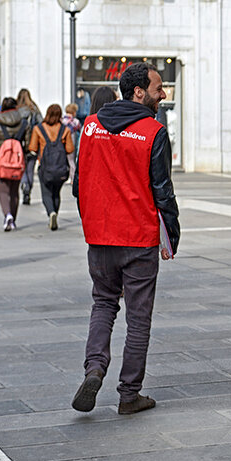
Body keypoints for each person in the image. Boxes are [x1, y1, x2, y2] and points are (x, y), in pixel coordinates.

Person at [71, 63, 179, 416]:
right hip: (137, 238)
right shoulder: (152, 132)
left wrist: (93, 221)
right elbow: (163, 191)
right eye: (158, 88)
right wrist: (172, 236)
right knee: (138, 317)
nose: (162, 94)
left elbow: (77, 185)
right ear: (138, 92)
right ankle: (129, 394)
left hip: (100, 237)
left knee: (103, 304)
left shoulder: (90, 127)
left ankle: (94, 369)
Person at [28, 103, 75, 231]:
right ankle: (55, 212)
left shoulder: (39, 129)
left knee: (46, 193)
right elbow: (70, 149)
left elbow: (32, 147)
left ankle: (51, 212)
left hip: (45, 167)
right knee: (56, 193)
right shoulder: (64, 129)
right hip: (60, 168)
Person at [0, 97, 27, 231]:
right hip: (17, 161)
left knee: (3, 191)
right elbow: (27, 142)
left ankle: (7, 215)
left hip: (2, 160)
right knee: (14, 191)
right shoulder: (23, 122)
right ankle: (13, 219)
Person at [16, 88, 42, 205]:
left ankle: (24, 184)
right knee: (30, 168)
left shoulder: (16, 110)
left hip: (19, 143)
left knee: (22, 168)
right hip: (32, 143)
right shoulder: (34, 110)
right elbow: (41, 125)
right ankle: (28, 189)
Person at [61, 102, 81, 182]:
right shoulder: (75, 121)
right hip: (72, 142)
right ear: (73, 112)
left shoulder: (62, 120)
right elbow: (80, 129)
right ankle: (72, 177)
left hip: (62, 141)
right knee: (71, 160)